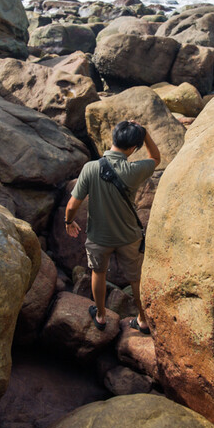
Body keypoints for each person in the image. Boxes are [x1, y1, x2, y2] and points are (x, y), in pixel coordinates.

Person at [64, 120, 160, 333]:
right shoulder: (135, 169)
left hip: (100, 236)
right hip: (129, 235)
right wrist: (144, 134)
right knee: (135, 278)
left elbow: (72, 205)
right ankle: (142, 319)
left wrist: (68, 222)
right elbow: (156, 158)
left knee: (99, 273)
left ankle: (100, 315)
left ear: (113, 138)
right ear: (133, 149)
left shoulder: (90, 168)